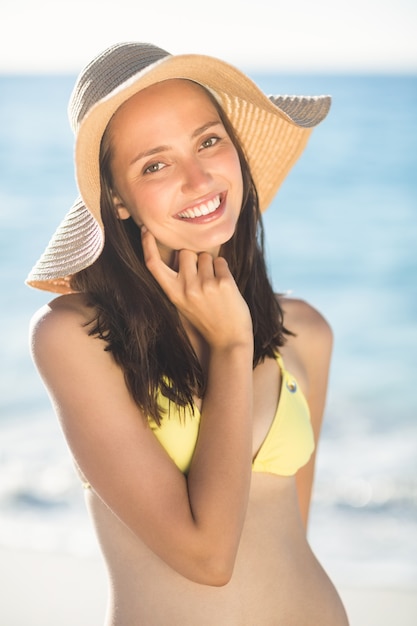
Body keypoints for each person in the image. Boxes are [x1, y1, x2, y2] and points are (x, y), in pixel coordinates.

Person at [26, 42, 349, 625]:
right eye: (155, 163)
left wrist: (241, 335)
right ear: (117, 199)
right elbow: (208, 556)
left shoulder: (304, 331)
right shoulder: (75, 337)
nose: (198, 178)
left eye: (208, 141)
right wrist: (230, 346)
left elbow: (290, 534)